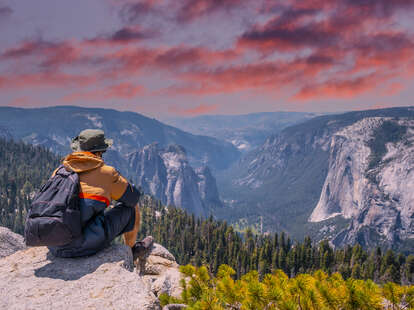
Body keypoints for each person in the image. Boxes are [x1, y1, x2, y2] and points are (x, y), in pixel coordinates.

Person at [49, 129, 149, 259]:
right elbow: (133, 198)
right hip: (80, 246)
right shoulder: (106, 173)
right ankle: (131, 252)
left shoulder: (59, 171)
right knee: (131, 208)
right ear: (100, 152)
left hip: (52, 243)